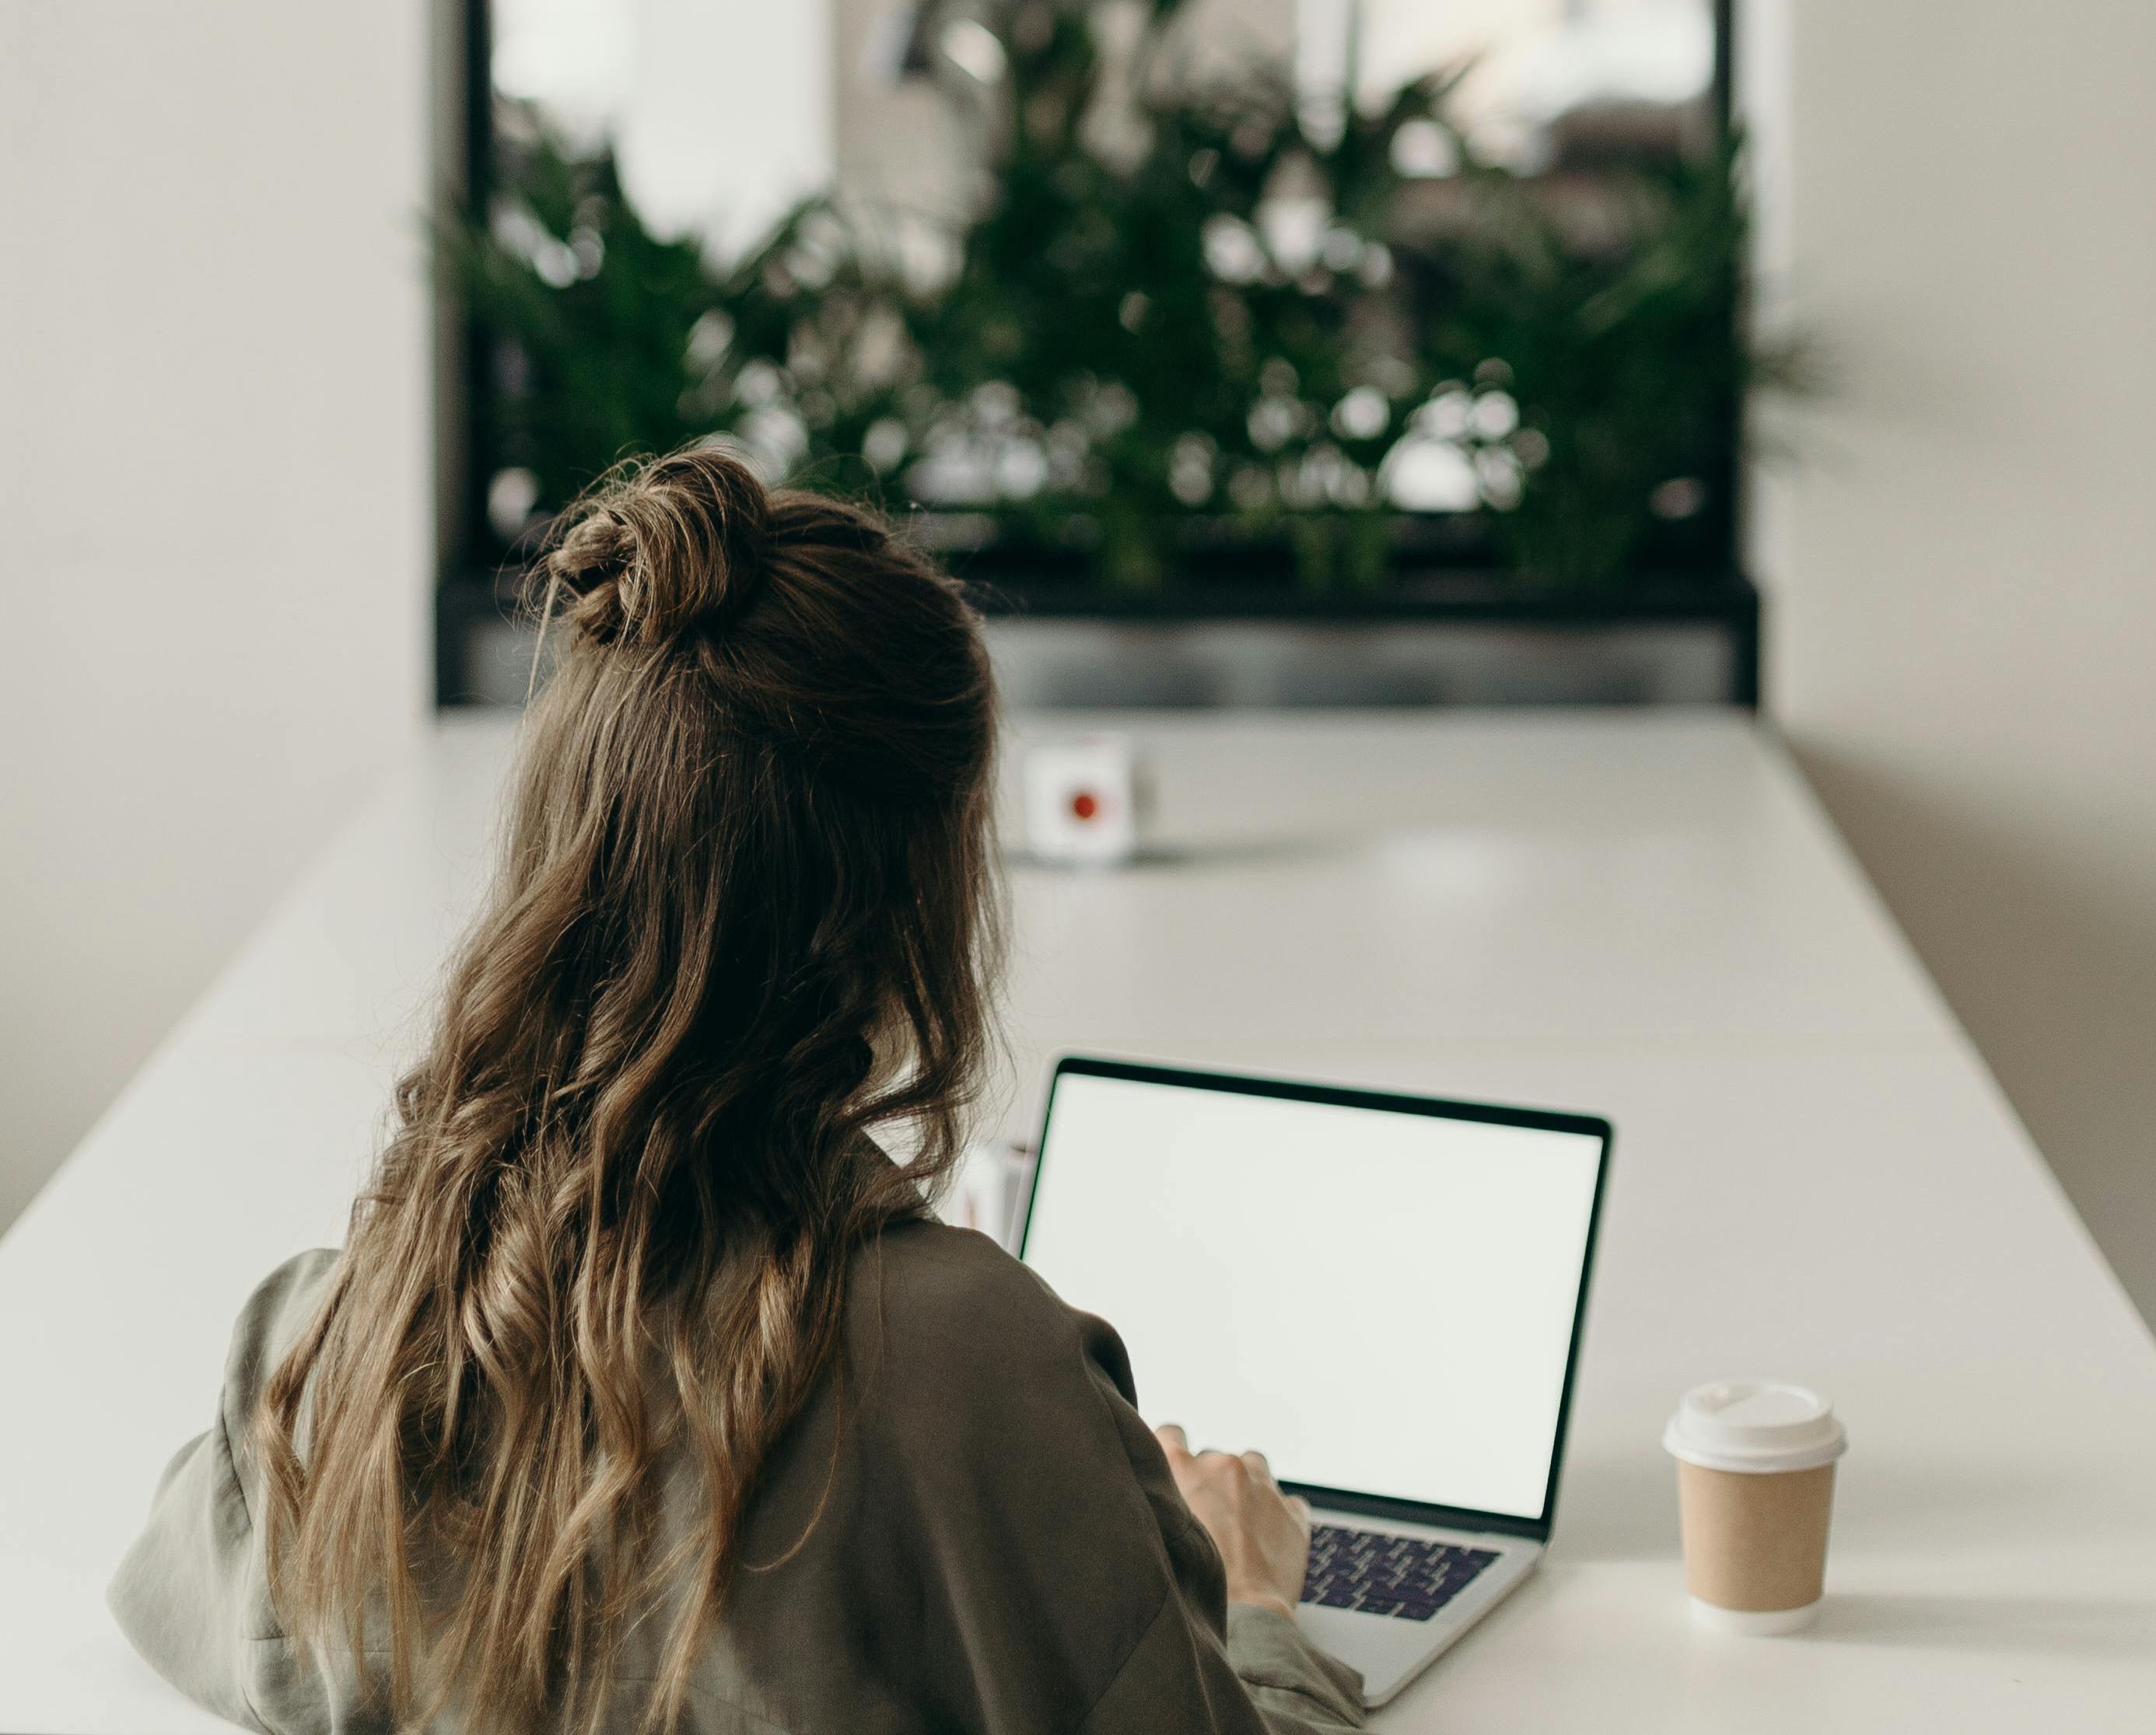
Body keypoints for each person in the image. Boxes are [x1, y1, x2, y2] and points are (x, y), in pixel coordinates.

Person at [109, 445, 1365, 1734]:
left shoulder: (334, 1342)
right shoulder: (979, 1378)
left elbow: (193, 1602)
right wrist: (1260, 1606)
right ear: (914, 906)